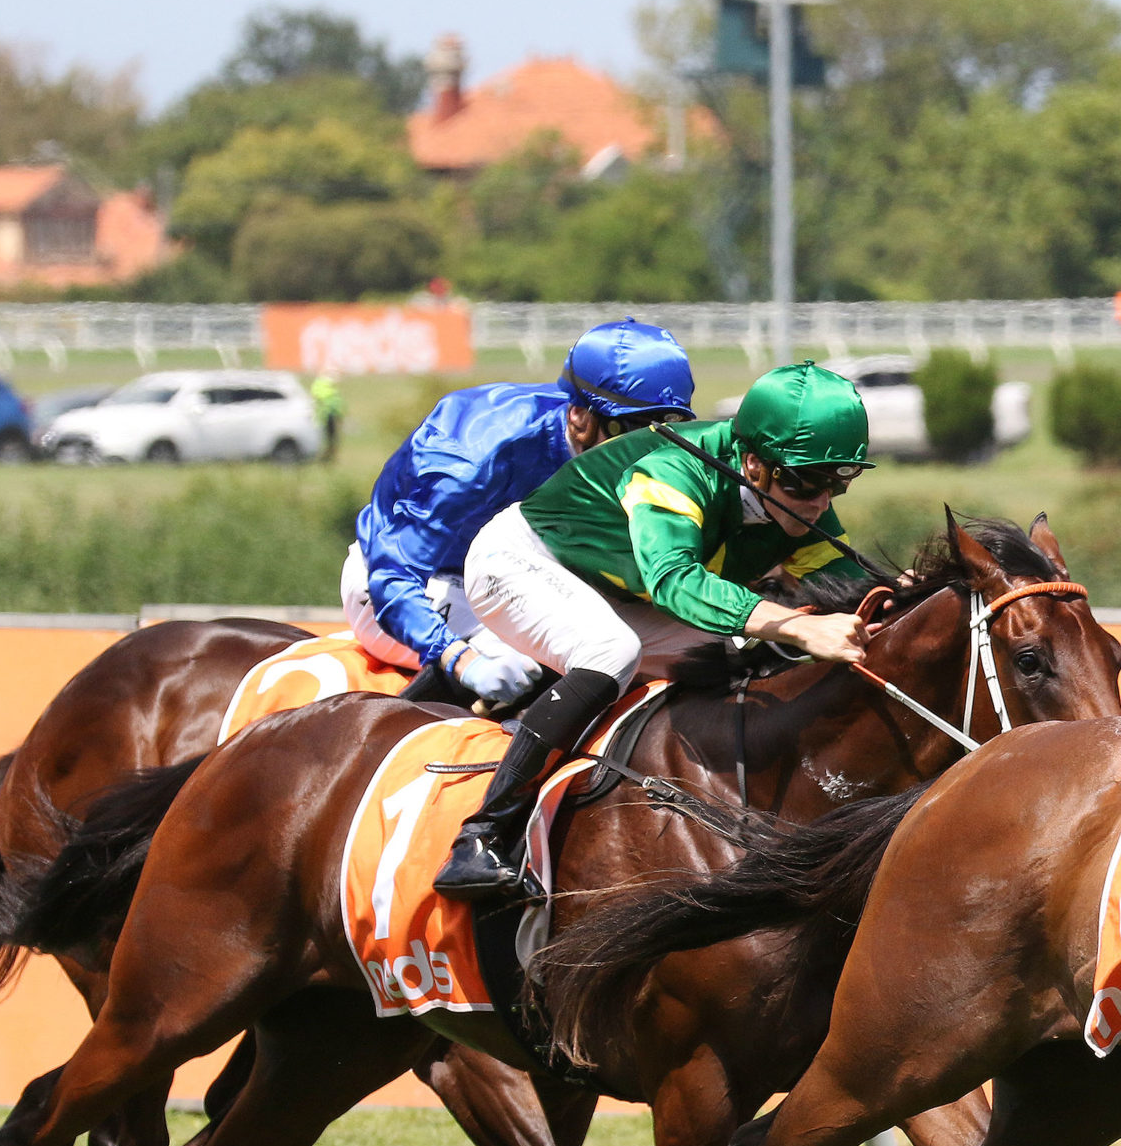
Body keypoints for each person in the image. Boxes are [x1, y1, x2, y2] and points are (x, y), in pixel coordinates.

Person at [431, 360, 877, 900]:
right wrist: (795, 626)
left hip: (615, 590)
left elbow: (852, 587)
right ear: (753, 464)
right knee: (613, 649)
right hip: (522, 562)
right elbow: (674, 581)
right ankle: (482, 835)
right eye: (804, 482)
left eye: (837, 483)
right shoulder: (674, 470)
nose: (820, 501)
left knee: (749, 651)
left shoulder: (795, 496)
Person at [341, 319, 697, 705]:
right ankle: (410, 723)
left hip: (520, 578)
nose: (643, 451)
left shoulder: (617, 436)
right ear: (579, 416)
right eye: (628, 430)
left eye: (664, 432)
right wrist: (462, 660)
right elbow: (393, 576)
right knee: (562, 653)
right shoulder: (474, 455)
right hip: (407, 586)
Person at [309, 373, 346, 460]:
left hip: (320, 417)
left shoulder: (317, 388)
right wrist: (340, 416)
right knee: (331, 439)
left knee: (323, 438)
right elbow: (335, 405)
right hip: (328, 416)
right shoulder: (331, 391)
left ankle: (324, 456)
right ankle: (327, 456)